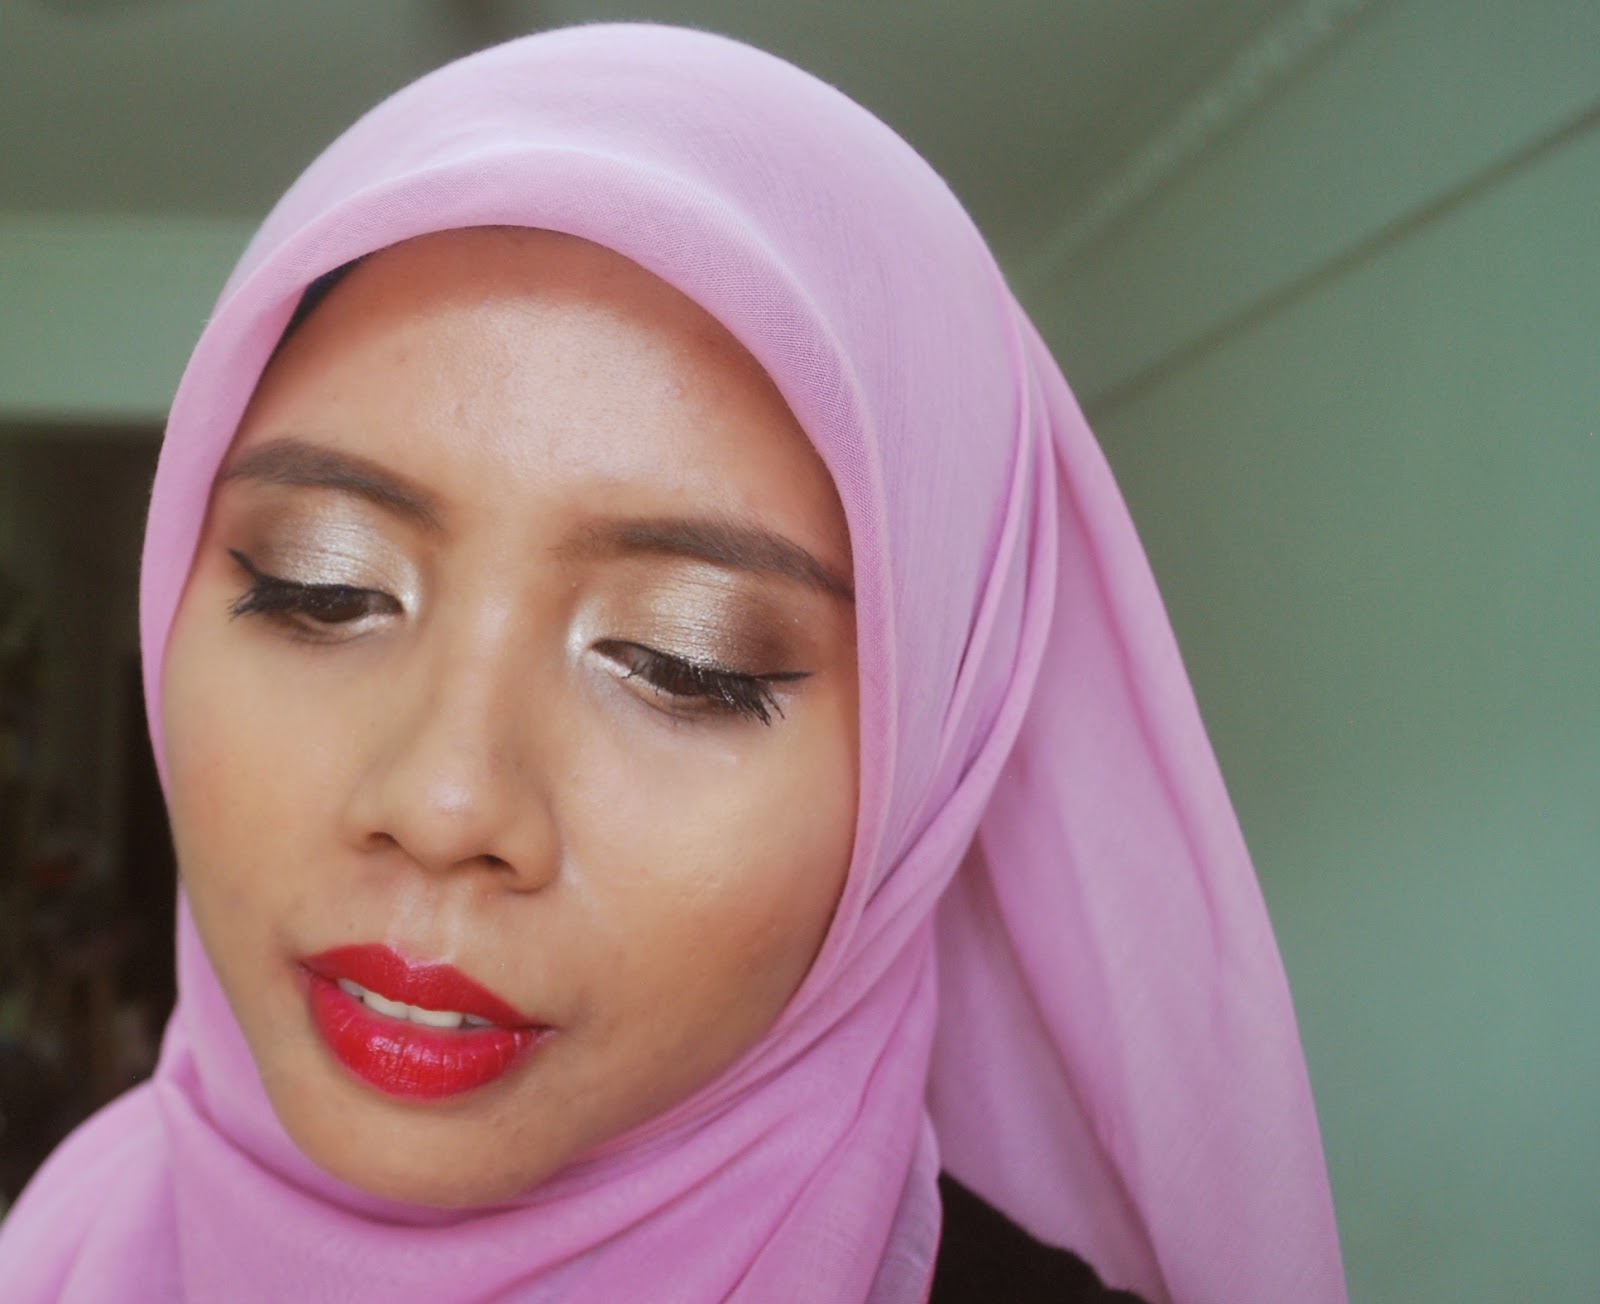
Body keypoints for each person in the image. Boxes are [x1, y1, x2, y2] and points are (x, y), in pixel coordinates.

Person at [0, 24, 1345, 1302]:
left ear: (920, 784)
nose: (445, 804)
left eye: (683, 662)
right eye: (323, 586)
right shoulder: (55, 1249)